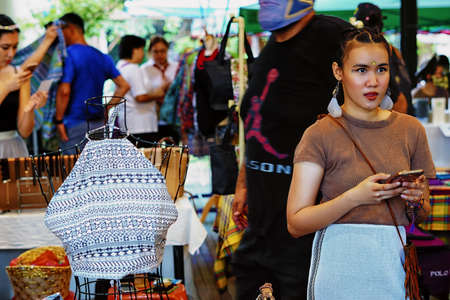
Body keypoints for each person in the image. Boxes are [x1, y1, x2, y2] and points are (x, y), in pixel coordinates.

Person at [286, 28, 435, 299]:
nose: (373, 81)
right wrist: (354, 198)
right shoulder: (320, 134)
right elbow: (296, 222)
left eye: (381, 69)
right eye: (361, 70)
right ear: (338, 71)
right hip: (338, 269)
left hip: (395, 270)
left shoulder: (411, 129)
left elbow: (424, 212)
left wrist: (415, 200)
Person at [230, 1, 352, 299]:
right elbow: (258, 123)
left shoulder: (331, 36)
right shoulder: (271, 47)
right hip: (260, 229)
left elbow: (383, 105)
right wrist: (244, 182)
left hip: (308, 238)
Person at [54, 12, 129, 154]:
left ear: (71, 29)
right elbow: (124, 85)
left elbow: (64, 91)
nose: (58, 36)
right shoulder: (102, 56)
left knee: (73, 171)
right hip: (99, 124)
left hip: (74, 124)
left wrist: (58, 120)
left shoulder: (68, 54)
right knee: (97, 171)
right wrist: (107, 109)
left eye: (60, 31)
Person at [0, 14, 58, 158]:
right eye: (5, 47)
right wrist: (7, 88)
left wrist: (30, 107)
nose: (11, 54)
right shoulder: (14, 80)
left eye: (15, 47)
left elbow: (25, 131)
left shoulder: (18, 74)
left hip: (13, 151)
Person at [352, 2, 413, 115]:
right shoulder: (390, 49)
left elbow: (398, 90)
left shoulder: (384, 49)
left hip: (392, 112)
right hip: (394, 112)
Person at [116, 35, 159, 145]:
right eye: (142, 49)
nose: (143, 53)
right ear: (134, 50)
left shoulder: (120, 66)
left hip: (128, 123)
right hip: (142, 125)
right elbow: (140, 96)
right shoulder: (133, 69)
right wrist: (158, 94)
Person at [141, 35, 179, 143]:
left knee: (174, 150)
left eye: (162, 51)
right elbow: (143, 93)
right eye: (155, 51)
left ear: (167, 50)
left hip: (173, 117)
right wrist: (160, 89)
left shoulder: (176, 67)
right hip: (153, 117)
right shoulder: (144, 69)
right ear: (150, 52)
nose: (159, 55)